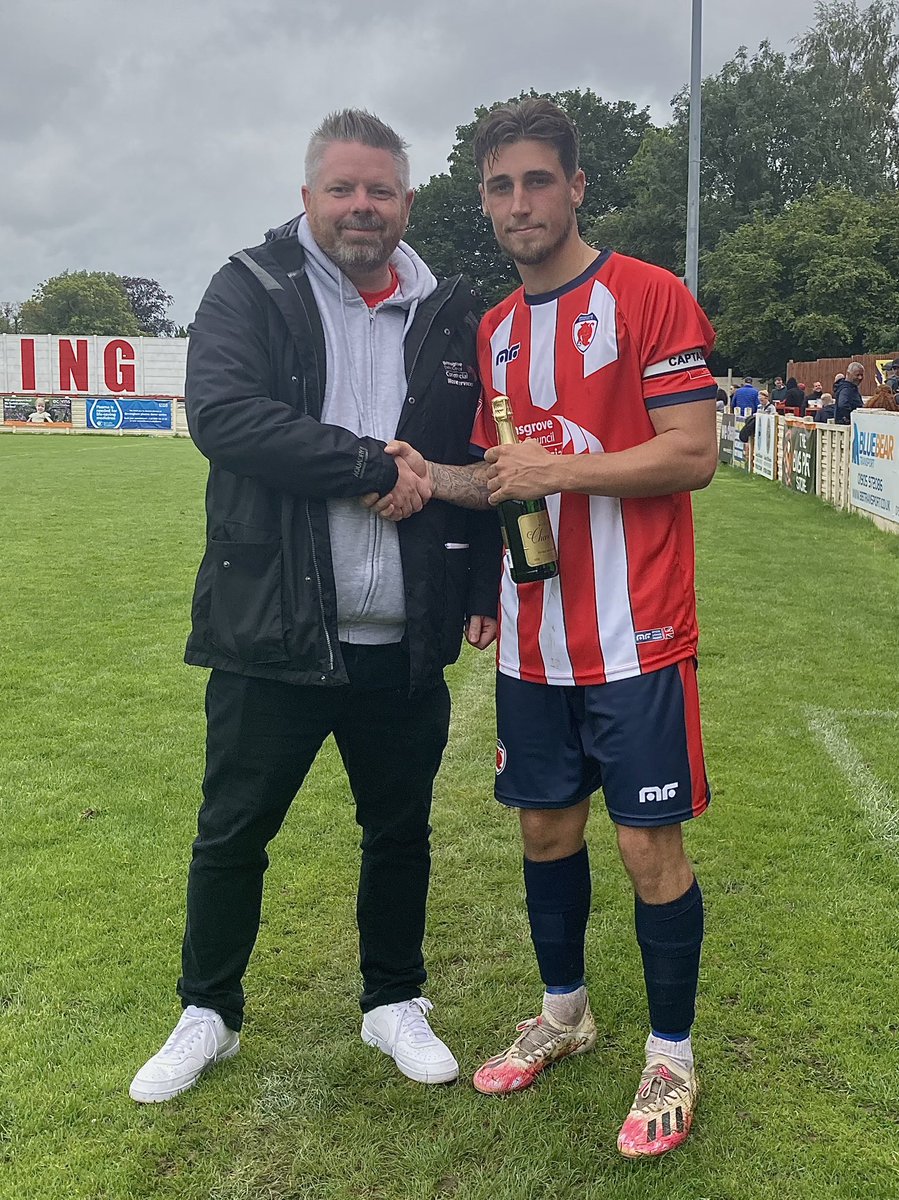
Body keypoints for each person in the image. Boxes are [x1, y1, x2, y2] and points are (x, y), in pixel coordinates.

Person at [129, 109, 502, 1104]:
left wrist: (478, 585)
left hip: (403, 635)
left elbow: (478, 452)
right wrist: (365, 465)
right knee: (232, 831)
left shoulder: (450, 310)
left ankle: (394, 1000)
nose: (360, 206)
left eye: (379, 190)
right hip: (272, 627)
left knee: (400, 831)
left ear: (406, 202)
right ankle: (208, 1012)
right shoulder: (250, 286)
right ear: (307, 198)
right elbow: (225, 417)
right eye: (342, 189)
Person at [381, 97, 717, 1158]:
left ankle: (671, 1053)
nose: (518, 202)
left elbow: (691, 453)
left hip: (636, 635)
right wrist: (425, 476)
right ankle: (564, 1013)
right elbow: (502, 476)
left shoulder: (648, 296)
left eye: (536, 180)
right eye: (499, 186)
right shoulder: (492, 330)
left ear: (574, 186)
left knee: (646, 847)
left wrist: (559, 469)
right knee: (544, 833)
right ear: (483, 202)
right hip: (535, 642)